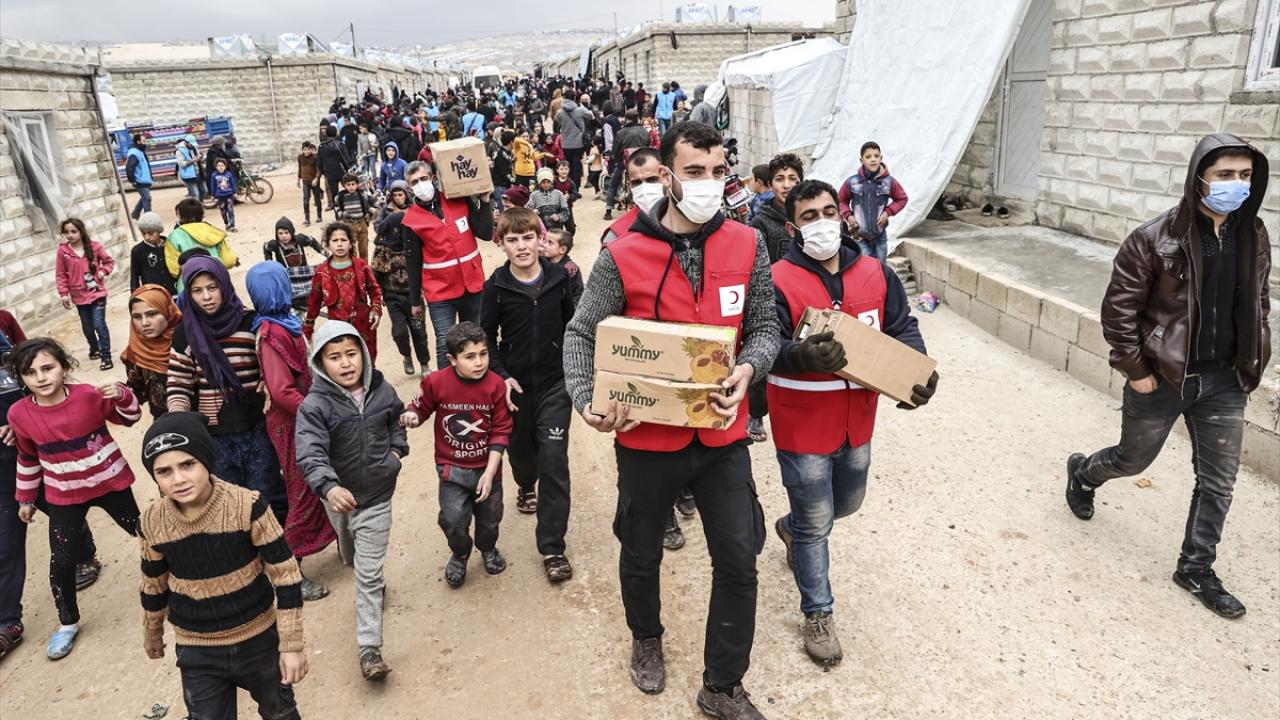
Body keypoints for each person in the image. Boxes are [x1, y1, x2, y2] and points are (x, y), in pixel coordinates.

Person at [562, 121, 780, 718]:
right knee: (640, 548)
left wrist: (750, 369)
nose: (709, 184)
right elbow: (582, 332)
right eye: (694, 172)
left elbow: (764, 323)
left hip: (721, 433)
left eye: (717, 172)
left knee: (739, 555)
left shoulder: (746, 243)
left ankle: (722, 685)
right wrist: (588, 400)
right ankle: (647, 637)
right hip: (646, 439)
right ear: (667, 176)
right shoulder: (623, 250)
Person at [1065, 133, 1271, 619]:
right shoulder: (1153, 238)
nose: (1235, 185)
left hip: (1225, 382)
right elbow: (1119, 312)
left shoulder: (1252, 233)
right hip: (1163, 379)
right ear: (1199, 177)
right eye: (1224, 175)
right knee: (1131, 461)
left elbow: (1259, 299)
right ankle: (1083, 473)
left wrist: (1257, 352)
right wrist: (1137, 372)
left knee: (1218, 482)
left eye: (1245, 175)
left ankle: (1196, 568)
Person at [768, 179, 937, 667]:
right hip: (802, 426)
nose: (821, 222)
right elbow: (760, 344)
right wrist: (797, 357)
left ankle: (793, 528)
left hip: (857, 421)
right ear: (792, 227)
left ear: (842, 216)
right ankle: (818, 612)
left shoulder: (876, 273)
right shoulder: (777, 279)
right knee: (818, 523)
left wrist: (915, 373)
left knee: (847, 503)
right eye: (808, 216)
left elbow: (902, 326)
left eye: (827, 212)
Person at [138, 412, 309, 719]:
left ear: (207, 459)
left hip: (258, 640)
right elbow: (154, 583)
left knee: (281, 712)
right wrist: (152, 632)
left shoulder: (248, 506)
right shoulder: (152, 522)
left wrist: (292, 645)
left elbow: (286, 575)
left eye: (187, 464)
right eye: (164, 471)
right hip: (197, 649)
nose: (178, 479)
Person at [7, 337, 142, 659]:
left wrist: (123, 395)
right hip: (64, 495)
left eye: (48, 368)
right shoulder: (19, 414)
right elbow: (27, 458)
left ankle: (184, 584)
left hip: (111, 484)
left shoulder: (88, 396)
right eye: (30, 372)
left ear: (64, 368)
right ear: (21, 378)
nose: (40, 377)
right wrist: (26, 499)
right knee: (63, 562)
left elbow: (130, 417)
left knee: (148, 535)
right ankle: (68, 622)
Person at [295, 321, 406, 680]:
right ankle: (367, 574)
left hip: (376, 497)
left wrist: (396, 453)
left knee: (367, 575)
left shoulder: (381, 389)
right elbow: (310, 453)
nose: (345, 363)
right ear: (320, 362)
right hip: (339, 501)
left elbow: (396, 421)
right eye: (334, 357)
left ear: (364, 353)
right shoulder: (314, 406)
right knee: (351, 558)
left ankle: (369, 649)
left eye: (351, 353)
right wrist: (328, 487)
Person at [480, 209, 578, 582]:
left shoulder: (559, 278)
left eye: (527, 238)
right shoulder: (496, 287)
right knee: (522, 453)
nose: (521, 246)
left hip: (555, 385)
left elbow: (573, 326)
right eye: (512, 240)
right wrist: (501, 375)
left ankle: (553, 547)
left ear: (540, 239)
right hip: (515, 388)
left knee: (553, 458)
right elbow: (486, 335)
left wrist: (575, 371)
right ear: (501, 244)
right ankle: (524, 483)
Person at [0, 319, 101, 660]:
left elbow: (33, 369)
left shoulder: (7, 346)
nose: (39, 375)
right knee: (7, 544)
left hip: (40, 460)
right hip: (7, 474)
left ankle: (86, 554)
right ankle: (7, 624)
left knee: (67, 511)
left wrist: (22, 419)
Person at [167, 257, 288, 523]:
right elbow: (179, 385)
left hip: (258, 427)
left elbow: (271, 366)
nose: (207, 297)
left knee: (267, 494)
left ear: (224, 284)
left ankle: (280, 559)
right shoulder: (184, 334)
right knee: (229, 502)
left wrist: (269, 381)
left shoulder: (250, 324)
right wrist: (179, 418)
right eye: (197, 291)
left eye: (212, 287)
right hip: (214, 436)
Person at [247, 263, 338, 603]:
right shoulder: (271, 334)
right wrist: (317, 413)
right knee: (302, 493)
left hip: (302, 418)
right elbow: (282, 391)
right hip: (293, 424)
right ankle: (289, 574)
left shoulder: (284, 322)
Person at [401, 322, 512, 588]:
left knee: (490, 518)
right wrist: (412, 416)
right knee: (452, 520)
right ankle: (460, 552)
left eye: (483, 354)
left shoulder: (496, 386)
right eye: (470, 356)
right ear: (452, 359)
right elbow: (420, 406)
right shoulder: (436, 382)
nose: (479, 362)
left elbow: (501, 430)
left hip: (488, 469)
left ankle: (487, 547)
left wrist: (489, 471)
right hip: (452, 469)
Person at [400, 161, 494, 370]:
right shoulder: (411, 221)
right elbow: (412, 262)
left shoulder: (457, 200)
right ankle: (446, 393)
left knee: (475, 338)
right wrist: (415, 300)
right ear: (409, 187)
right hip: (440, 291)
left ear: (433, 178)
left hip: (473, 284)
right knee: (445, 342)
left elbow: (486, 233)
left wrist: (485, 202)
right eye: (415, 182)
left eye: (424, 179)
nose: (420, 184)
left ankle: (475, 382)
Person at [747, 153, 805, 443]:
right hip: (770, 299)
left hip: (804, 301)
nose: (787, 185)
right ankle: (756, 413)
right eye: (780, 179)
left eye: (793, 178)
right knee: (764, 357)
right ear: (770, 184)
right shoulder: (762, 222)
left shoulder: (808, 216)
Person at [303, 223, 383, 362]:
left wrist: (376, 310)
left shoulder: (361, 266)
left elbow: (374, 289)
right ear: (327, 245)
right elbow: (314, 302)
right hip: (337, 327)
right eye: (335, 241)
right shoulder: (322, 272)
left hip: (364, 324)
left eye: (343, 240)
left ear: (351, 244)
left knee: (367, 361)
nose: (339, 244)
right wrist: (307, 330)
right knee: (345, 362)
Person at [372, 206, 431, 376]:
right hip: (392, 297)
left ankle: (424, 364)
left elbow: (427, 268)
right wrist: (377, 297)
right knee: (399, 333)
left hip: (414, 297)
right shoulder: (383, 249)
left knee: (419, 331)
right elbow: (375, 272)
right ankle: (406, 356)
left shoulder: (415, 245)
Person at [55, 218, 115, 370]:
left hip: (97, 294)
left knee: (99, 325)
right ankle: (94, 348)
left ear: (81, 231)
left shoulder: (95, 247)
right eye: (66, 232)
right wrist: (63, 294)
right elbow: (60, 274)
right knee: (88, 328)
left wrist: (102, 272)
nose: (70, 235)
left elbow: (109, 262)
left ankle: (106, 357)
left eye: (73, 231)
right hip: (79, 297)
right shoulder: (63, 251)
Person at [837, 141, 908, 262]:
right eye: (868, 157)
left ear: (881, 158)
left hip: (880, 236)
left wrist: (888, 212)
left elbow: (902, 198)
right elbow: (840, 200)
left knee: (881, 268)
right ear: (861, 160)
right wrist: (848, 216)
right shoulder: (852, 182)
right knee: (868, 266)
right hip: (859, 235)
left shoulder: (889, 182)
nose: (873, 159)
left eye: (876, 156)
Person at [121, 284, 181, 418]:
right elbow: (138, 391)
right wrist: (120, 394)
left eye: (152, 314)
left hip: (205, 424)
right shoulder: (136, 351)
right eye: (137, 317)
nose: (144, 323)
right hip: (165, 424)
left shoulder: (190, 339)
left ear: (167, 311)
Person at [166, 199, 238, 294]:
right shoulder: (215, 233)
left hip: (188, 286)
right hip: (217, 281)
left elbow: (174, 270)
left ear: (180, 216)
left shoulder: (174, 236)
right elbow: (229, 261)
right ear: (202, 214)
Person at [263, 217, 329, 316]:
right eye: (280, 233)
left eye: (286, 232)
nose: (284, 236)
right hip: (287, 278)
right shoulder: (275, 245)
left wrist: (325, 253)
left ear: (292, 232)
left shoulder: (300, 239)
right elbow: (266, 247)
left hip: (304, 276)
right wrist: (270, 264)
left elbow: (312, 241)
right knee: (292, 304)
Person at [602, 147, 663, 243]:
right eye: (637, 182)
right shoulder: (616, 237)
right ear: (629, 184)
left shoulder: (689, 226)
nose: (645, 189)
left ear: (667, 176)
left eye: (652, 180)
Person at [603, 110, 654, 221]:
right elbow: (648, 146)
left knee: (612, 186)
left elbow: (615, 151)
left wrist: (615, 159)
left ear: (626, 119)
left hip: (624, 164)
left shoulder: (621, 133)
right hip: (641, 163)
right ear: (638, 119)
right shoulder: (644, 132)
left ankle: (608, 211)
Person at [131, 212, 177, 295]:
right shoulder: (138, 251)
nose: (147, 237)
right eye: (143, 233)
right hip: (154, 296)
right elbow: (134, 277)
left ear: (159, 231)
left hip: (175, 293)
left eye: (150, 233)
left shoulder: (171, 245)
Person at [334, 174, 375, 261]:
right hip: (348, 225)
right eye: (348, 185)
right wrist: (341, 214)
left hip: (362, 224)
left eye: (353, 184)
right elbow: (336, 206)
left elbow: (376, 203)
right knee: (351, 250)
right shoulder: (340, 196)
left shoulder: (363, 194)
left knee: (364, 250)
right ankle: (354, 269)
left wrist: (370, 213)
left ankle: (364, 269)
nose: (351, 187)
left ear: (357, 184)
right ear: (344, 185)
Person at [540, 228, 584, 305]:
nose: (544, 245)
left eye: (550, 243)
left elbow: (578, 293)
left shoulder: (570, 269)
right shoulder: (540, 262)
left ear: (562, 249)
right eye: (545, 240)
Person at [555, 97, 591, 189]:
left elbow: (556, 120)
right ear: (574, 97)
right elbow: (591, 116)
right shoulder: (580, 110)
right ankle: (576, 187)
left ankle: (568, 186)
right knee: (577, 165)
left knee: (568, 165)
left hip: (566, 143)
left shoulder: (560, 112)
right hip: (578, 142)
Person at [317, 126, 350, 211]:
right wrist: (348, 169)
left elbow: (319, 163)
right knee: (350, 188)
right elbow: (346, 159)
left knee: (334, 193)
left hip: (329, 172)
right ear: (336, 133)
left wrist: (323, 173)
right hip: (341, 170)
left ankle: (337, 212)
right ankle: (349, 207)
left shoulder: (322, 146)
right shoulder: (340, 144)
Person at [529, 168, 569, 232]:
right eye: (543, 182)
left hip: (556, 227)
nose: (546, 184)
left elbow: (566, 211)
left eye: (548, 182)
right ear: (539, 183)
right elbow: (528, 211)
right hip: (540, 227)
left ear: (551, 182)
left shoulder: (558, 194)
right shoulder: (534, 195)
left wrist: (559, 216)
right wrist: (533, 212)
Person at [125, 134, 153, 220]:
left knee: (144, 197)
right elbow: (129, 167)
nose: (145, 143)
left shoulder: (139, 151)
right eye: (143, 141)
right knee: (147, 198)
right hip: (140, 180)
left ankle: (135, 214)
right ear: (138, 141)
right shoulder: (135, 153)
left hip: (144, 179)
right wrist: (132, 180)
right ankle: (148, 217)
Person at [298, 141, 324, 225]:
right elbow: (299, 169)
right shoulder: (300, 158)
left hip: (314, 182)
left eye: (308, 149)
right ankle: (307, 218)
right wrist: (298, 179)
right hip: (305, 181)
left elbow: (318, 170)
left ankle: (319, 216)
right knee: (306, 199)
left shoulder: (315, 158)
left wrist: (316, 178)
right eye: (305, 149)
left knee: (317, 199)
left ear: (311, 150)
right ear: (302, 150)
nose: (307, 151)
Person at [209, 157, 238, 233]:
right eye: (219, 165)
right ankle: (226, 223)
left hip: (229, 195)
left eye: (222, 165)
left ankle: (232, 226)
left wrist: (235, 192)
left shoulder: (229, 174)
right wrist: (212, 195)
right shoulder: (214, 175)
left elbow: (232, 183)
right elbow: (213, 186)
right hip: (220, 196)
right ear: (216, 167)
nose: (221, 167)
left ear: (225, 166)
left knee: (230, 210)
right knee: (223, 211)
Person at [175, 134, 203, 200]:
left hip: (198, 172)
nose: (193, 146)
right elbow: (182, 164)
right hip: (189, 175)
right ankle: (196, 208)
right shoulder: (179, 151)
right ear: (186, 143)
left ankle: (199, 205)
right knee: (195, 194)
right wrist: (193, 160)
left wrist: (200, 157)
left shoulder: (193, 148)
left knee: (203, 190)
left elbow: (198, 157)